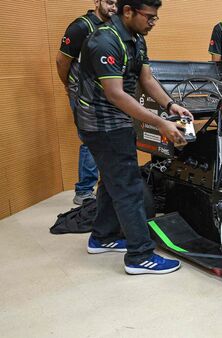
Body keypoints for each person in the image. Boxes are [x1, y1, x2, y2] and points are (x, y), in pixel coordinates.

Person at [77, 0, 193, 274]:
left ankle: (102, 237)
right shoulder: (104, 40)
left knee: (111, 180)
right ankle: (139, 256)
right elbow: (115, 93)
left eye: (155, 17)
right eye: (149, 17)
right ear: (127, 11)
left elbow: (147, 80)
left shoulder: (137, 39)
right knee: (128, 187)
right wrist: (161, 123)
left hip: (117, 121)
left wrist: (170, 105)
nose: (153, 22)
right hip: (102, 125)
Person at [56, 0, 117, 205]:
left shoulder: (116, 26)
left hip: (109, 94)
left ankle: (106, 189)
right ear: (97, 1)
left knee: (110, 139)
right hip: (84, 95)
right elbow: (61, 61)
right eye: (109, 2)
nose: (113, 7)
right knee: (91, 140)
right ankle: (83, 192)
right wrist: (70, 87)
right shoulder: (81, 27)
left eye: (117, 3)